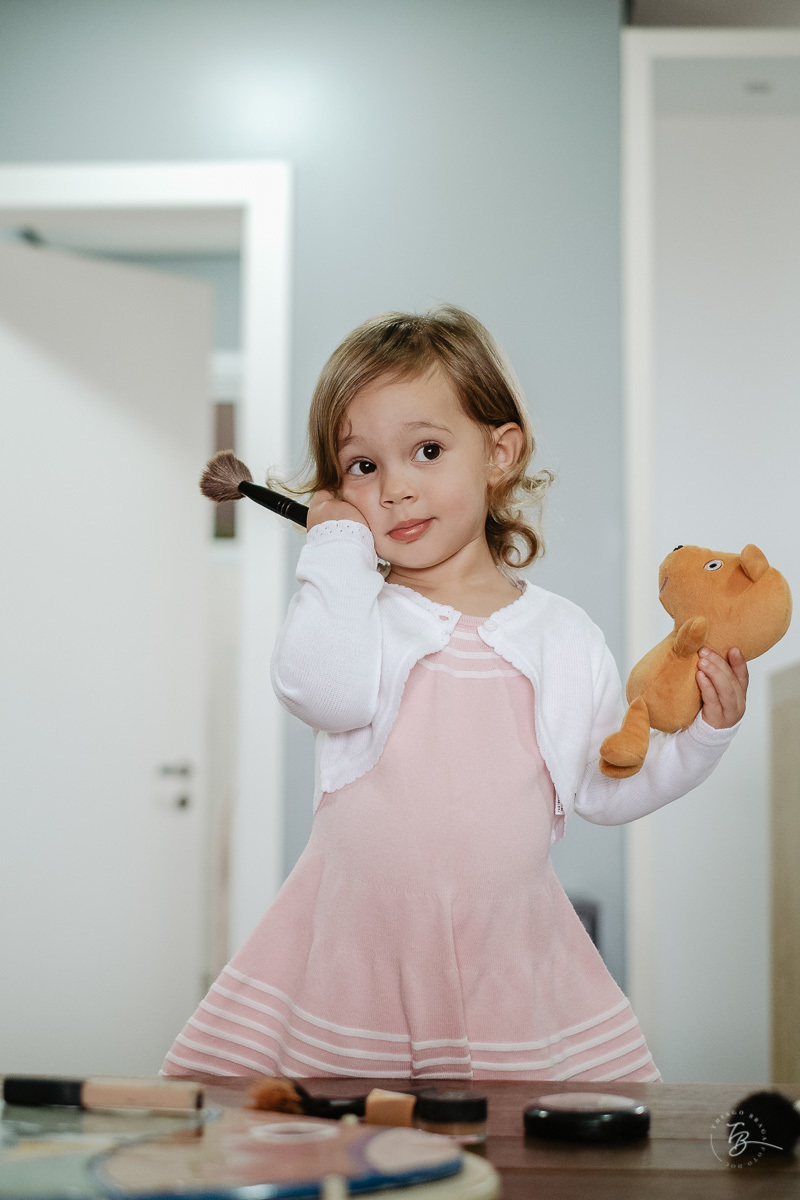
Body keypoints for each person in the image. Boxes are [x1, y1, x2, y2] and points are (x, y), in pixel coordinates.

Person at [161, 305, 747, 1082]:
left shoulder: (561, 635)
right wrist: (336, 548)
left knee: (513, 1144)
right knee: (344, 1138)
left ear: (499, 453)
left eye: (427, 450)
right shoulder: (353, 615)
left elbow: (606, 787)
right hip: (357, 962)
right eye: (363, 467)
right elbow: (325, 694)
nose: (395, 489)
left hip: (506, 958)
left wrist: (703, 737)